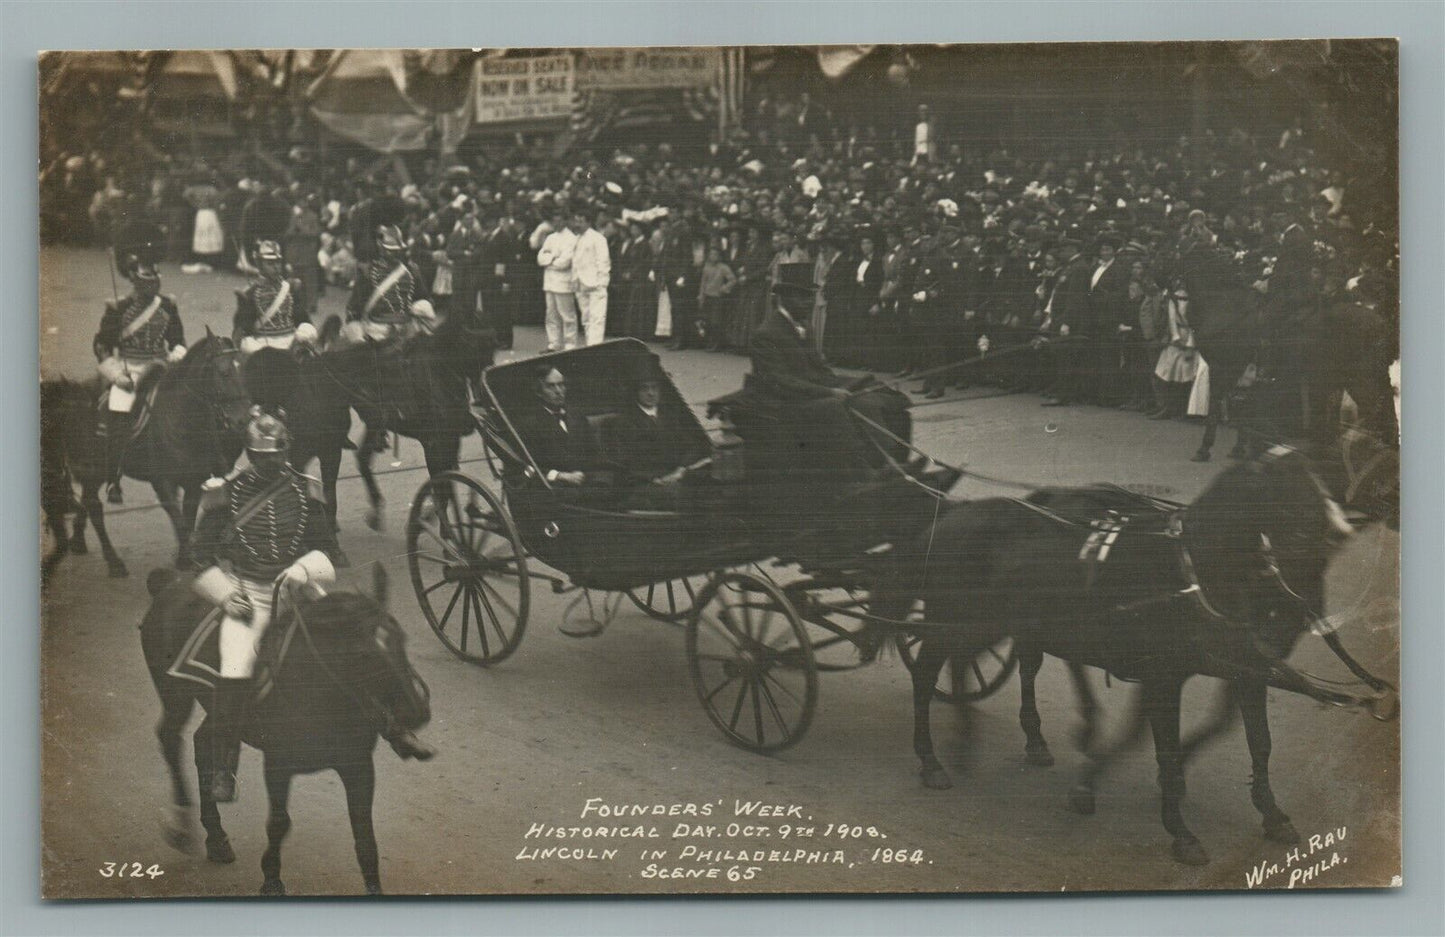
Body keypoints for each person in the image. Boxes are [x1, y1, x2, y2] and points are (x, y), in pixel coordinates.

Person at [190, 409, 435, 803]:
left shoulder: (307, 489)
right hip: (248, 594)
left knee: (365, 642)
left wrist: (304, 569)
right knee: (235, 667)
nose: (273, 462)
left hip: (299, 589)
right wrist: (226, 595)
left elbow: (324, 547)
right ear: (250, 456)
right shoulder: (224, 493)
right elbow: (198, 556)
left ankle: (395, 729)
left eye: (279, 454)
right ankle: (224, 764)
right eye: (263, 455)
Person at [93, 256, 187, 503]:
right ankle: (114, 477)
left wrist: (178, 351)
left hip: (162, 366)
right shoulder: (119, 308)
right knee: (118, 411)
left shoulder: (168, 305)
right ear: (134, 280)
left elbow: (177, 338)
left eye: (155, 279)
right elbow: (102, 346)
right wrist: (116, 374)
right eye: (147, 280)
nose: (153, 285)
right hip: (130, 370)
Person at [513, 365, 615, 489]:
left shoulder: (576, 416)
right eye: (551, 386)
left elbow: (594, 452)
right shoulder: (529, 425)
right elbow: (527, 466)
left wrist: (592, 473)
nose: (558, 391)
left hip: (586, 478)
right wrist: (560, 475)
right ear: (539, 392)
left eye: (561, 384)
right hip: (555, 486)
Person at [340, 224, 436, 347]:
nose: (394, 255)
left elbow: (423, 299)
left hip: (403, 331)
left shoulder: (410, 271)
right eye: (391, 251)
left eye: (396, 251)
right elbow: (354, 310)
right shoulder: (370, 273)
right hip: (377, 331)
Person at [232, 240, 317, 354]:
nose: (276, 267)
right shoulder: (250, 294)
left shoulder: (290, 288)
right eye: (270, 263)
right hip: (264, 346)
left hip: (292, 343)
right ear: (260, 265)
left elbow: (302, 318)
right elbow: (243, 330)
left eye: (278, 262)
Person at [537, 209, 580, 351]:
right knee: (551, 315)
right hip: (549, 282)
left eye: (559, 220)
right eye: (554, 221)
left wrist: (550, 259)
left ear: (566, 221)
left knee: (567, 315)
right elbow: (540, 258)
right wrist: (553, 258)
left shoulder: (572, 239)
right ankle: (554, 343)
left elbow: (565, 263)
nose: (556, 223)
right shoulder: (550, 238)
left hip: (563, 283)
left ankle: (570, 344)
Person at [570, 208, 612, 346]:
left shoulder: (598, 238)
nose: (577, 224)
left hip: (595, 284)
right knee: (586, 318)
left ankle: (595, 346)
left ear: (588, 222)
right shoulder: (576, 238)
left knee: (597, 318)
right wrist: (575, 280)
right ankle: (590, 345)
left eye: (581, 221)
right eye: (576, 221)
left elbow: (603, 261)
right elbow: (575, 262)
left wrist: (601, 283)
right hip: (581, 284)